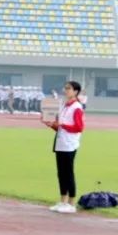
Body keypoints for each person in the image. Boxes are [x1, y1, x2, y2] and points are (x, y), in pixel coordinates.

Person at [44, 81, 85, 214]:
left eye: (69, 88)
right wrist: (51, 124)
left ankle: (71, 203)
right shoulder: (64, 106)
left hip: (69, 144)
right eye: (65, 88)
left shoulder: (77, 107)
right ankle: (63, 201)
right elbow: (60, 127)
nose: (66, 90)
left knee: (68, 173)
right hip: (60, 142)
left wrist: (62, 125)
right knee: (61, 173)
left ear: (76, 91)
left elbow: (79, 127)